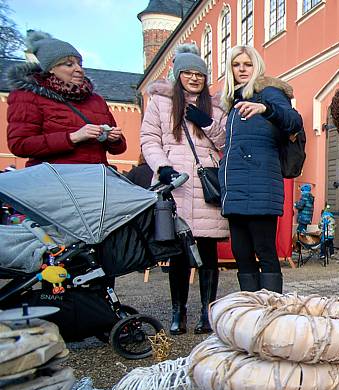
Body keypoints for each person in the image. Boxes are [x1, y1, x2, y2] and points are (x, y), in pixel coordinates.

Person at [140, 44, 228, 335]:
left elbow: (226, 143)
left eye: (199, 74)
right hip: (175, 185)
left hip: (206, 185)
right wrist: (161, 166)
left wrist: (208, 124)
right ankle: (178, 311)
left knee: (208, 250)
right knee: (177, 251)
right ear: (178, 75)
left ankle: (208, 311)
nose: (193, 78)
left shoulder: (215, 107)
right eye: (188, 73)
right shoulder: (160, 102)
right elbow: (149, 139)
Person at [218, 45, 303, 293]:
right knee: (241, 254)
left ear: (257, 67)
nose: (242, 69)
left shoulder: (268, 93)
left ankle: (272, 310)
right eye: (237, 65)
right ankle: (250, 310)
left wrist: (267, 109)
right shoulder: (233, 101)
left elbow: (294, 120)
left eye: (248, 64)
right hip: (234, 188)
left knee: (265, 251)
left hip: (261, 185)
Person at [6, 31, 126, 167]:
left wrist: (114, 139)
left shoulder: (96, 100)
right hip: (53, 179)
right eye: (69, 64)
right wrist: (73, 137)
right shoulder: (27, 96)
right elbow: (19, 144)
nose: (79, 69)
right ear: (51, 68)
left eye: (80, 64)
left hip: (94, 178)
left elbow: (119, 149)